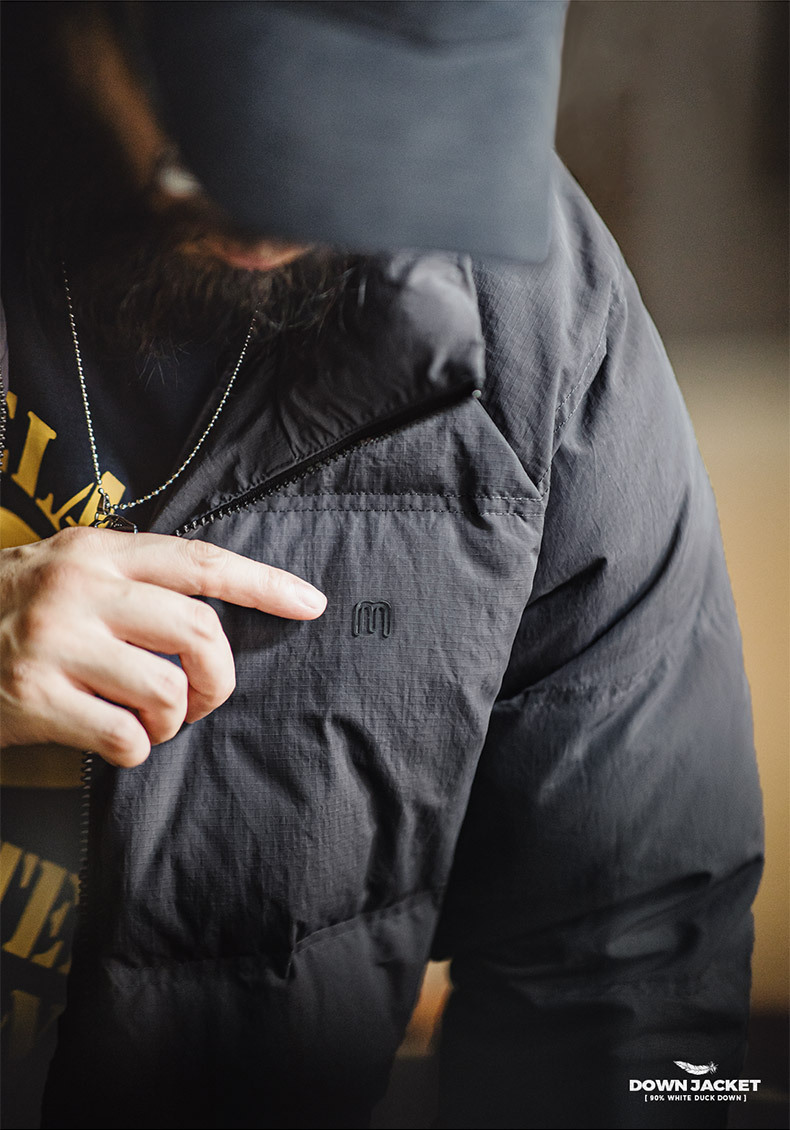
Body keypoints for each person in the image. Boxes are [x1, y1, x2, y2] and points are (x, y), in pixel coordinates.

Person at [0, 3, 764, 1128]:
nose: (275, 229)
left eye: (352, 159)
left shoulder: (537, 323)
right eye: (209, 156)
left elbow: (632, 966)